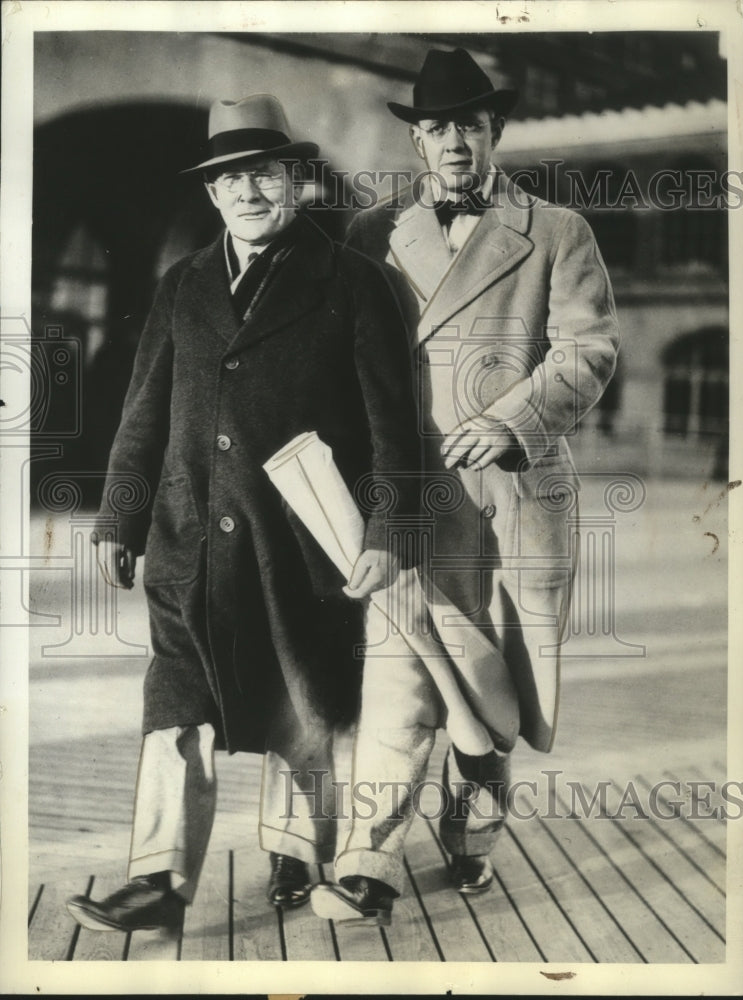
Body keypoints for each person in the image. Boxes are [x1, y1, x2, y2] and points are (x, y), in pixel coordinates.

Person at [65, 94, 421, 932]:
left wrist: (387, 533)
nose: (248, 192)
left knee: (303, 699)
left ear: (295, 180)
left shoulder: (354, 282)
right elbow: (142, 413)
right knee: (176, 706)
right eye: (230, 179)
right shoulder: (181, 285)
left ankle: (296, 852)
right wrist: (119, 519)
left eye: (263, 173)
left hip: (301, 541)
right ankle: (157, 880)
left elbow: (390, 425)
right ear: (213, 194)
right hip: (190, 541)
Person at [311, 47, 620, 926]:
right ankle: (368, 855)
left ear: (494, 135)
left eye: (469, 126)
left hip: (516, 493)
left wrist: (515, 418)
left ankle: (472, 832)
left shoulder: (556, 231)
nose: (452, 142)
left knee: (495, 680)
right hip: (406, 493)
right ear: (416, 141)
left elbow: (589, 349)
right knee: (399, 666)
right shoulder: (370, 234)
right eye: (436, 127)